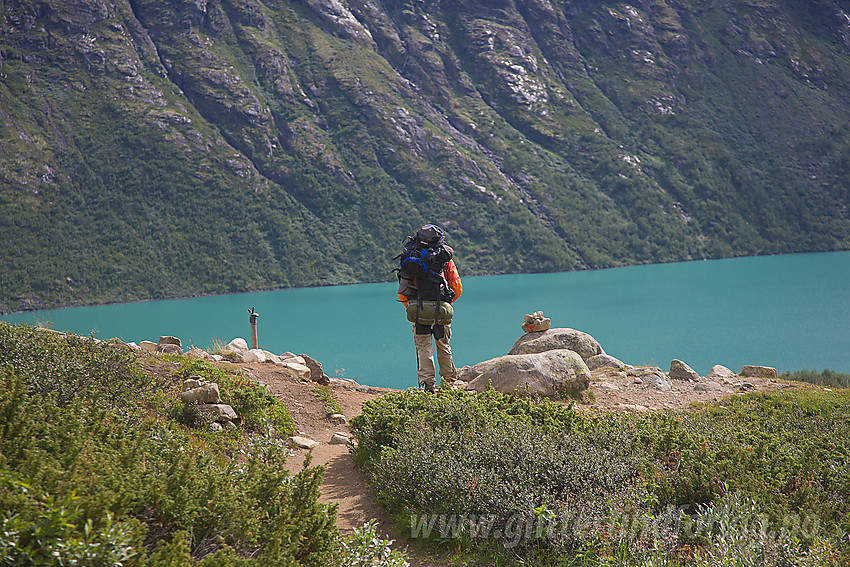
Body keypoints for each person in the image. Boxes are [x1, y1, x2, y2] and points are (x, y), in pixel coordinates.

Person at [397, 225, 463, 393]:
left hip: (418, 310)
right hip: (441, 308)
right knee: (443, 345)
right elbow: (457, 287)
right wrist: (447, 303)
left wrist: (411, 307)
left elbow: (402, 291)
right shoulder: (444, 257)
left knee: (423, 347)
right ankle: (449, 383)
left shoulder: (412, 256)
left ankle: (428, 385)